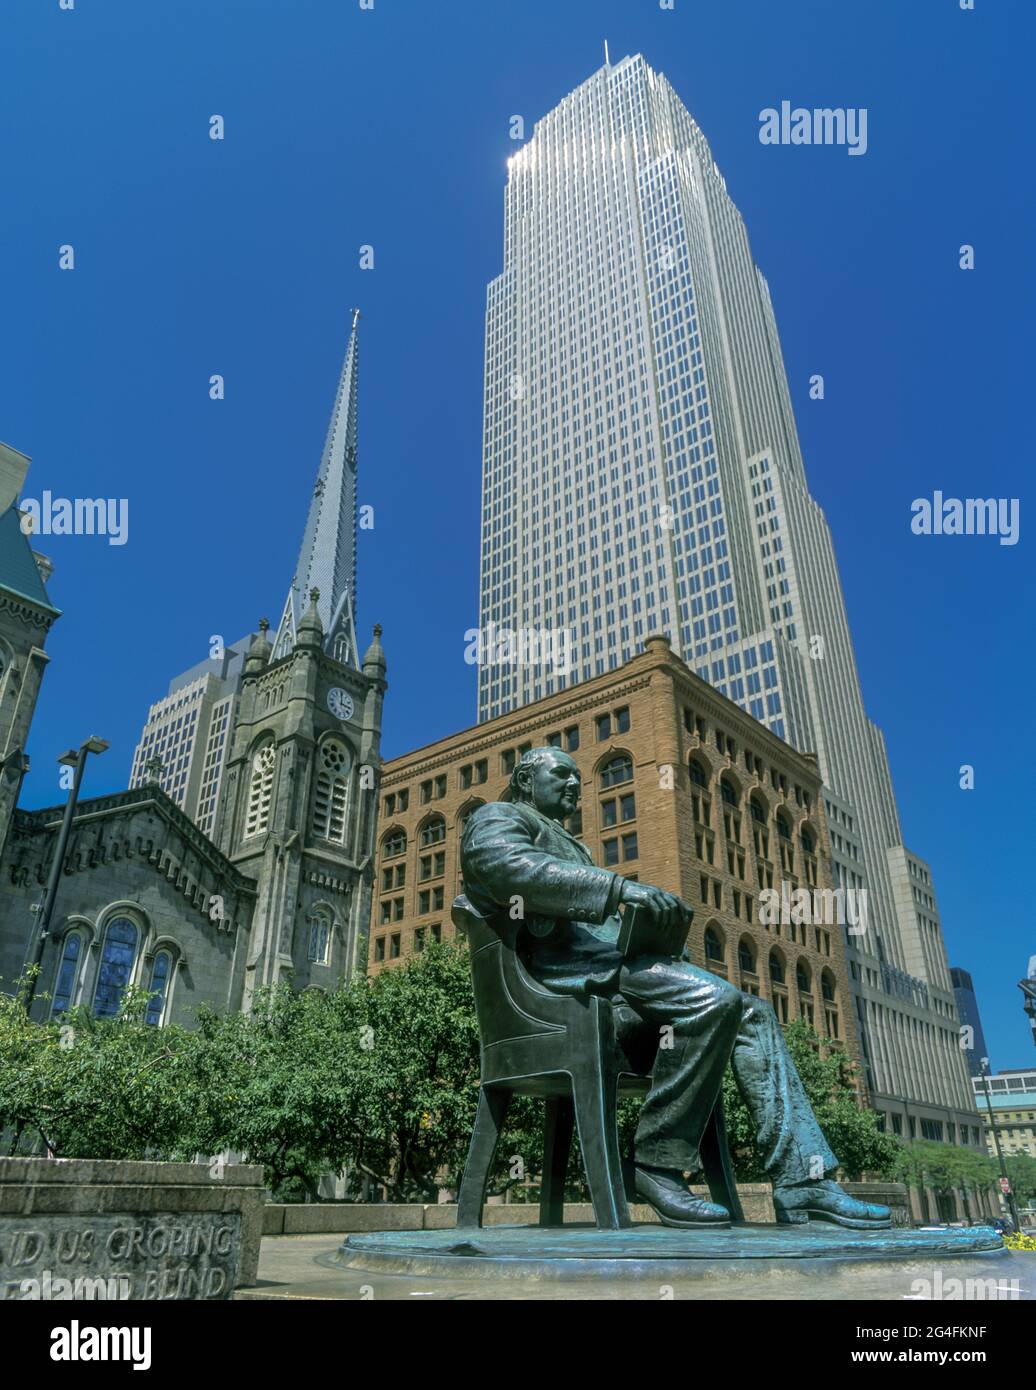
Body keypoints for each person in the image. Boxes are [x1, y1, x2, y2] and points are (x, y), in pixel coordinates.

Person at [460, 746, 891, 1230]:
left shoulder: (572, 844)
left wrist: (653, 937)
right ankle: (657, 1167)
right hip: (561, 990)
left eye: (579, 778)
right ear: (523, 782)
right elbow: (505, 870)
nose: (575, 786)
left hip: (613, 977)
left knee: (752, 1013)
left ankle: (802, 1182)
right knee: (716, 999)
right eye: (561, 775)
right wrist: (619, 889)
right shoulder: (497, 817)